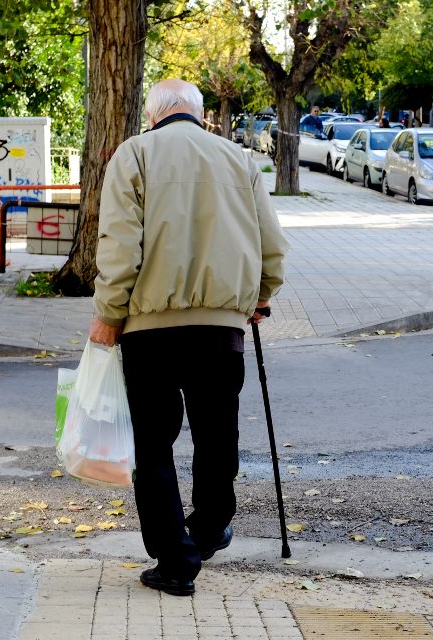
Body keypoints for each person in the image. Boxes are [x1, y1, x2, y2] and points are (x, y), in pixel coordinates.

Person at [89, 78, 289, 596]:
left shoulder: (134, 155)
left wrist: (108, 314)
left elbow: (118, 245)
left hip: (149, 329)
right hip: (222, 328)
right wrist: (260, 296)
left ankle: (176, 562)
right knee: (216, 434)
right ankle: (208, 527)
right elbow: (271, 241)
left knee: (152, 445)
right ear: (200, 115)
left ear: (153, 116)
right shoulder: (240, 159)